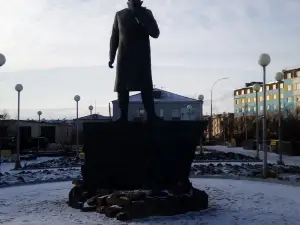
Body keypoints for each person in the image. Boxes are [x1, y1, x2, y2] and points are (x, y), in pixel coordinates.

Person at [109, 0, 161, 121]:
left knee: (146, 86)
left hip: (141, 56)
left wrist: (142, 18)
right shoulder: (119, 15)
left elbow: (155, 33)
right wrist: (111, 56)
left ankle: (151, 115)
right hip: (124, 55)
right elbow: (114, 37)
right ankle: (123, 116)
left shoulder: (146, 13)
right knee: (122, 86)